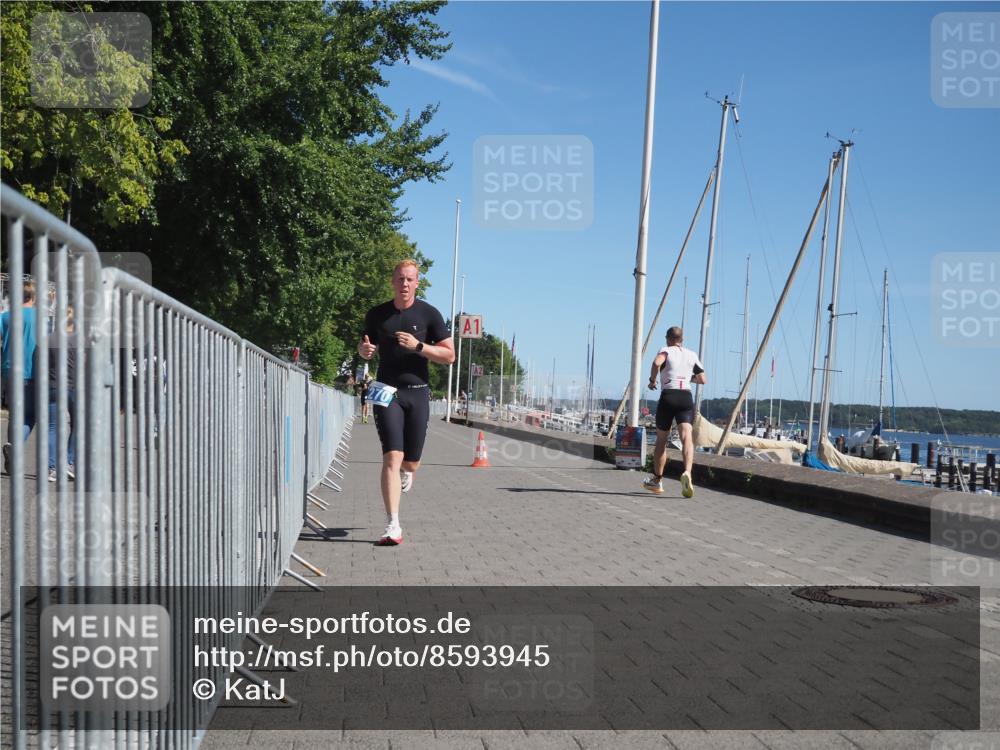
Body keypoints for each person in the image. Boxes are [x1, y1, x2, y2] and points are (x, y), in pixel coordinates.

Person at [358, 259, 455, 546]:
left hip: (417, 391)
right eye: (400, 279)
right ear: (392, 281)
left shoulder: (429, 314)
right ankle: (393, 525)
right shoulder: (377, 314)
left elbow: (450, 356)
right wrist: (364, 350)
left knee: (411, 463)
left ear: (417, 283)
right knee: (391, 457)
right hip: (385, 391)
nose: (404, 284)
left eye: (410, 280)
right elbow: (364, 346)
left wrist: (419, 346)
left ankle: (407, 471)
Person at [642, 326, 707, 498]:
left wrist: (652, 380)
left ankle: (657, 480)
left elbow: (656, 363)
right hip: (685, 397)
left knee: (661, 440)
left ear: (668, 338)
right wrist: (686, 378)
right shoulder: (691, 354)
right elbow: (702, 379)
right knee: (687, 438)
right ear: (682, 339)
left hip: (668, 395)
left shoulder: (666, 350)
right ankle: (687, 473)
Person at [1, 282, 38, 474]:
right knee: (32, 413)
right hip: (32, 370)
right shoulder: (40, 317)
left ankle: (11, 457)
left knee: (15, 414)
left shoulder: (5, 317)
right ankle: (14, 445)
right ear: (33, 297)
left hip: (8, 369)